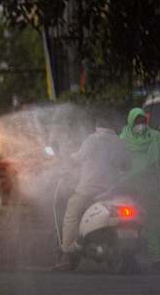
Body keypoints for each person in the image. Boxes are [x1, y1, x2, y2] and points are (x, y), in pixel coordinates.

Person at [55, 112, 131, 271]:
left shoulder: (92, 140)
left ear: (97, 125)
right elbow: (126, 165)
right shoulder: (120, 142)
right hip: (112, 191)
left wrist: (67, 159)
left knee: (72, 212)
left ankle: (68, 252)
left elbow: (78, 158)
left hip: (90, 189)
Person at [119, 107, 160, 260]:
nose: (140, 125)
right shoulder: (122, 140)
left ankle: (156, 255)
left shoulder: (156, 138)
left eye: (143, 121)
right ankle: (130, 254)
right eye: (137, 121)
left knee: (153, 221)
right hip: (129, 187)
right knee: (130, 221)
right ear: (130, 122)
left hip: (150, 187)